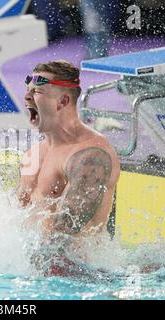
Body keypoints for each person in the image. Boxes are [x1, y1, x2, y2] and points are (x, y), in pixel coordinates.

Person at [17, 60, 121, 276]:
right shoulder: (33, 155)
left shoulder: (90, 156)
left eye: (37, 91)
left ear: (63, 100)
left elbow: (64, 237)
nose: (27, 97)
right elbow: (13, 214)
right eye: (28, 90)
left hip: (77, 277)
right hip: (36, 268)